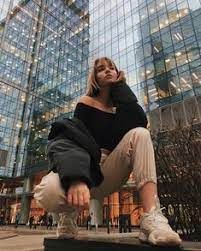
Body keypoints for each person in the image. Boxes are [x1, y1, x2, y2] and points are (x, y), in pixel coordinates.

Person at [34, 57, 181, 246]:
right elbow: (75, 140)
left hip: (111, 170)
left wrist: (120, 87)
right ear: (94, 77)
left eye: (112, 68)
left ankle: (152, 218)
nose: (107, 71)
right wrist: (76, 177)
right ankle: (68, 216)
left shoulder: (121, 106)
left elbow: (139, 122)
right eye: (101, 69)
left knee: (141, 134)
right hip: (86, 167)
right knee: (48, 192)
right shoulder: (85, 102)